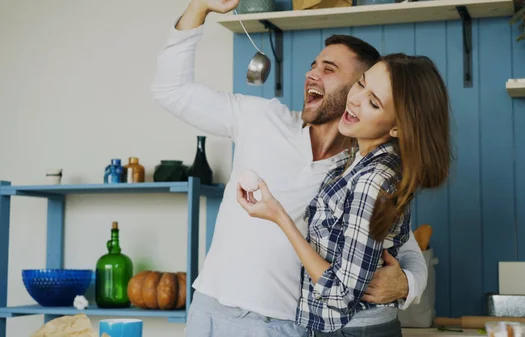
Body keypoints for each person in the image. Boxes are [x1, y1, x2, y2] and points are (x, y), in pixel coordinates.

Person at [150, 0, 429, 335]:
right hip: (212, 313)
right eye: (314, 65)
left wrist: (407, 285)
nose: (312, 73)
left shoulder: (360, 168)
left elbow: (405, 245)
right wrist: (200, 8)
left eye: (329, 69)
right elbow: (170, 90)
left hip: (289, 327)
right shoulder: (261, 118)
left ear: (358, 88)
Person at [236, 54, 451, 336]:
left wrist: (279, 216)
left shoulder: (372, 181)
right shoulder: (354, 160)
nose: (356, 99)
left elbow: (339, 295)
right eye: (360, 84)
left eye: (374, 102)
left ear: (397, 127)